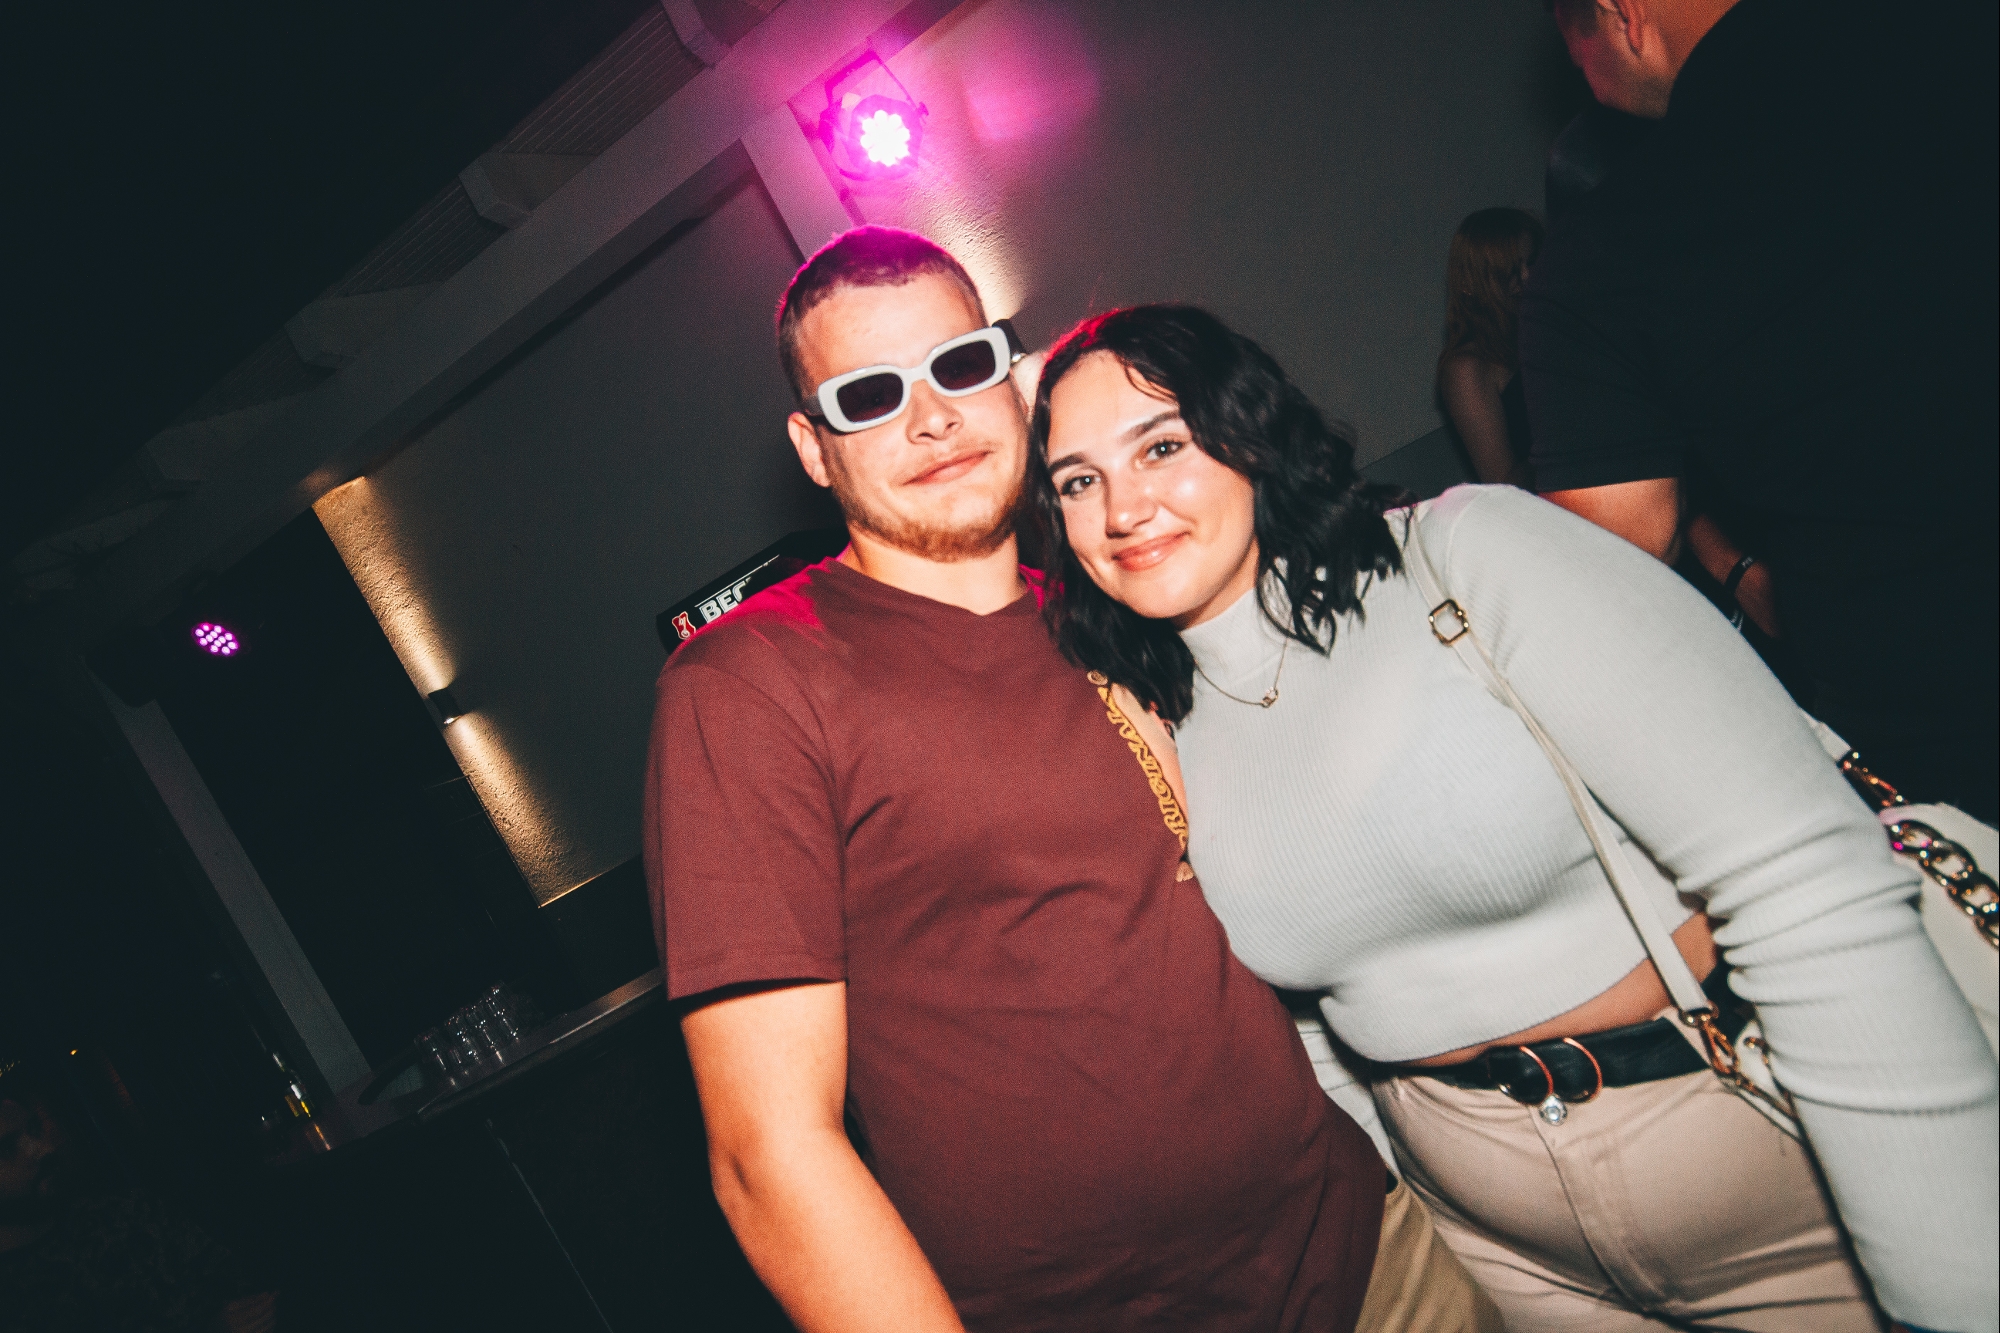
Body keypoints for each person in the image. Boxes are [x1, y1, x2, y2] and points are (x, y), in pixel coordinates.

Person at [1029, 301, 1999, 1333]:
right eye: (1077, 481)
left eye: (1162, 446)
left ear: (1251, 435)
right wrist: (1406, 1207)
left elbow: (1801, 878)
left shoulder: (1465, 554)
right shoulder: (1155, 725)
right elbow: (1306, 1018)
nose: (1122, 507)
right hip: (1506, 1249)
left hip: (1765, 1159)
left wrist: (1954, 1285)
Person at [641, 228, 1499, 1332]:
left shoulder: (1115, 607)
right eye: (869, 395)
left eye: (959, 366)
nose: (931, 417)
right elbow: (768, 1154)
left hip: (1370, 1259)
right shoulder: (752, 682)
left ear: (1012, 381)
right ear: (814, 449)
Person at [1521, 0, 1999, 820]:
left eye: (1577, 48)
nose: (1583, 79)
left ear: (1622, 15)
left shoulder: (1606, 250)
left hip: (1946, 747)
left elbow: (1609, 562)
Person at [1435, 208, 1542, 487]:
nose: (1527, 278)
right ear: (1473, 284)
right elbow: (1504, 483)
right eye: (1510, 272)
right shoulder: (1466, 368)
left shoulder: (1540, 331)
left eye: (1532, 262)